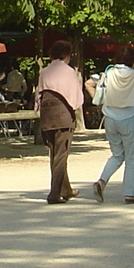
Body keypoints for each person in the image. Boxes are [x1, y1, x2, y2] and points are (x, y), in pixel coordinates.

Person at [93, 46, 134, 204]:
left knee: (117, 154)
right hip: (129, 117)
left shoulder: (109, 73)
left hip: (110, 117)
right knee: (130, 158)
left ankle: (102, 180)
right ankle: (129, 193)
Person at [37, 40, 84, 204]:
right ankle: (54, 192)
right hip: (63, 114)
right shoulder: (69, 71)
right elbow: (75, 95)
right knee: (61, 153)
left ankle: (66, 189)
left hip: (47, 114)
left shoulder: (44, 72)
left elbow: (39, 94)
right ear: (66, 55)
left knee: (54, 153)